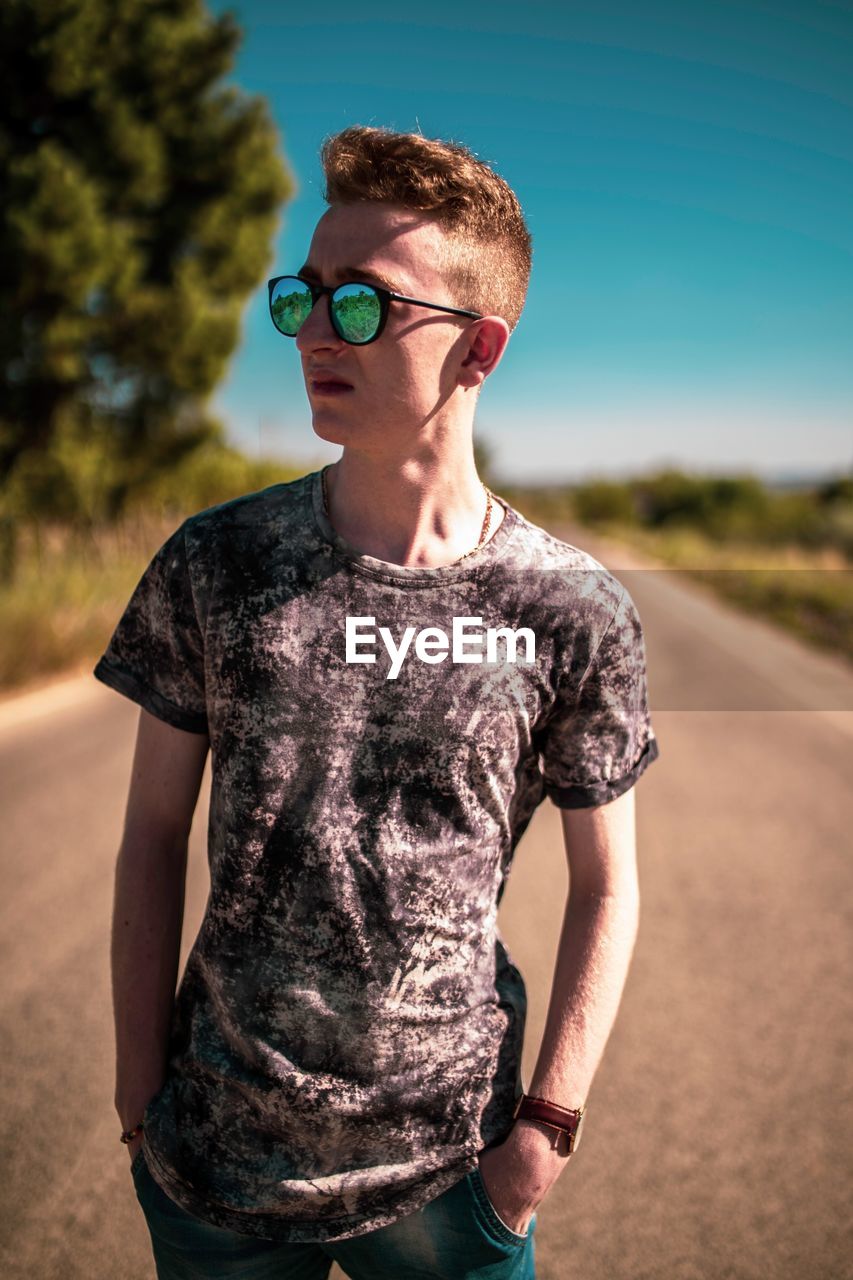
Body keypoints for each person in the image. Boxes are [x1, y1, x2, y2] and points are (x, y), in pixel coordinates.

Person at [95, 124, 660, 1280]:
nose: (313, 331)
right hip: (216, 1167)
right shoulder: (218, 561)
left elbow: (608, 886)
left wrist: (542, 1132)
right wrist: (137, 1091)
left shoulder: (568, 607)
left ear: (478, 348)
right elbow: (151, 836)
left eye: (363, 305)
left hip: (451, 1175)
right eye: (302, 297)